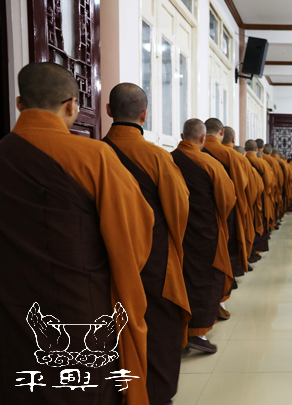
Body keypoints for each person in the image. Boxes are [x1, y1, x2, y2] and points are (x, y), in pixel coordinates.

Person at [0, 62, 153, 404]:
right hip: (81, 308)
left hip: (14, 305)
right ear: (72, 106)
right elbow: (135, 234)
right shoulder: (94, 156)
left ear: (20, 103)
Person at [104, 83, 192, 405]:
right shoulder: (157, 157)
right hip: (154, 259)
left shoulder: (94, 153)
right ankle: (156, 394)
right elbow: (179, 208)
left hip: (107, 258)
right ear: (144, 114)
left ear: (109, 110)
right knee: (159, 326)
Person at [171, 119, 235, 354]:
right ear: (202, 139)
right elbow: (228, 199)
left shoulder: (167, 160)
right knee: (206, 278)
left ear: (181, 136)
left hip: (175, 232)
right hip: (205, 232)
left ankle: (179, 329)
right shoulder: (210, 163)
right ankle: (198, 333)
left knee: (180, 278)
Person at [203, 119, 249, 293]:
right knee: (227, 243)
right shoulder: (230, 155)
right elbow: (241, 185)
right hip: (226, 209)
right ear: (221, 133)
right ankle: (228, 278)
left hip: (198, 210)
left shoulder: (193, 151)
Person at [223, 126, 260, 268]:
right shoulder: (239, 159)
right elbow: (253, 187)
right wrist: (247, 205)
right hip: (235, 206)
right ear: (233, 139)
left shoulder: (203, 155)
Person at [245, 140, 273, 253]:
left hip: (245, 197)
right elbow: (269, 181)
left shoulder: (240, 160)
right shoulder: (262, 162)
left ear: (245, 149)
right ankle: (258, 247)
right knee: (259, 220)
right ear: (256, 149)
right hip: (260, 196)